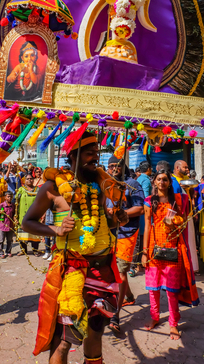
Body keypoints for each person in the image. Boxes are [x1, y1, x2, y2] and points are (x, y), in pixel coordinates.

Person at [22, 132, 128, 364]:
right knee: (65, 339)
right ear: (73, 156)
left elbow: (103, 223)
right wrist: (56, 230)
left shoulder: (98, 185)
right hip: (72, 271)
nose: (95, 158)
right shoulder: (53, 187)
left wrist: (117, 218)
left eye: (96, 154)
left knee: (96, 330)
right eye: (90, 154)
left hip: (103, 269)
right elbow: (27, 222)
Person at [142, 170, 199, 339]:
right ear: (154, 182)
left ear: (169, 182)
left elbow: (184, 226)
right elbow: (147, 227)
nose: (162, 182)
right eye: (159, 179)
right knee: (153, 290)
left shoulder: (179, 201)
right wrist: (144, 253)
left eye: (165, 179)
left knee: (171, 291)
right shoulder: (148, 202)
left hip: (173, 251)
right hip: (154, 250)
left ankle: (173, 324)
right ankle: (155, 317)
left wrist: (175, 221)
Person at [106, 155, 144, 334]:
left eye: (116, 165)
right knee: (115, 270)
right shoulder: (106, 184)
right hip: (108, 233)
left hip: (127, 233)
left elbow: (140, 208)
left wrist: (121, 213)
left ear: (123, 166)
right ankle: (128, 296)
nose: (114, 168)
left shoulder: (132, 184)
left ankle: (115, 314)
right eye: (110, 166)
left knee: (120, 272)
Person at [172, 160, 199, 274]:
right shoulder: (174, 181)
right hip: (180, 218)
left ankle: (190, 267)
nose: (188, 170)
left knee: (190, 242)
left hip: (188, 215)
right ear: (177, 168)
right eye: (185, 167)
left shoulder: (184, 181)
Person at [16, 173, 40, 256]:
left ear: (33, 180)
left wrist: (43, 215)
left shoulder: (38, 190)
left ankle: (35, 250)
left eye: (31, 179)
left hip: (34, 216)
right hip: (22, 215)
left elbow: (41, 203)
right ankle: (23, 250)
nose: (29, 180)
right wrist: (15, 215)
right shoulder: (21, 190)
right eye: (27, 179)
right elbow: (16, 203)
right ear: (24, 181)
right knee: (22, 234)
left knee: (34, 234)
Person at [0, 191, 15, 258]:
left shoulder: (13, 205)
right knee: (1, 239)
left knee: (9, 240)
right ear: (5, 197)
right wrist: (0, 212)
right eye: (8, 196)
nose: (9, 198)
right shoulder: (2, 205)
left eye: (11, 196)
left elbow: (14, 214)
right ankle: (0, 251)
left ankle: (8, 251)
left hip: (10, 225)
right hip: (3, 225)